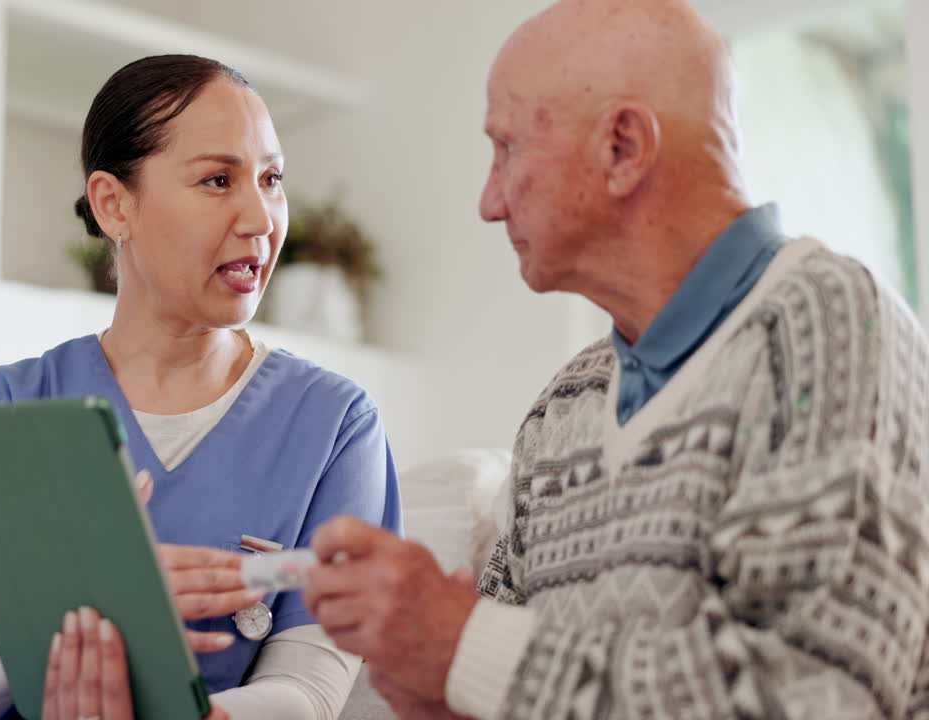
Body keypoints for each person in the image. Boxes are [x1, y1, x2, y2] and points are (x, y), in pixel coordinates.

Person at [301, 1, 929, 718]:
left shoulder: (830, 325)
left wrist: (459, 645)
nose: (489, 201)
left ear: (623, 147)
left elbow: (817, 694)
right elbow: (517, 692)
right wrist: (435, 692)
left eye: (507, 149)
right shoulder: (565, 404)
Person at [0, 54, 401, 720]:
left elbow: (311, 691)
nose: (261, 218)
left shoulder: (333, 423)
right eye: (218, 179)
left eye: (271, 179)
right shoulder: (9, 409)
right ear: (115, 204)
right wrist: (59, 605)